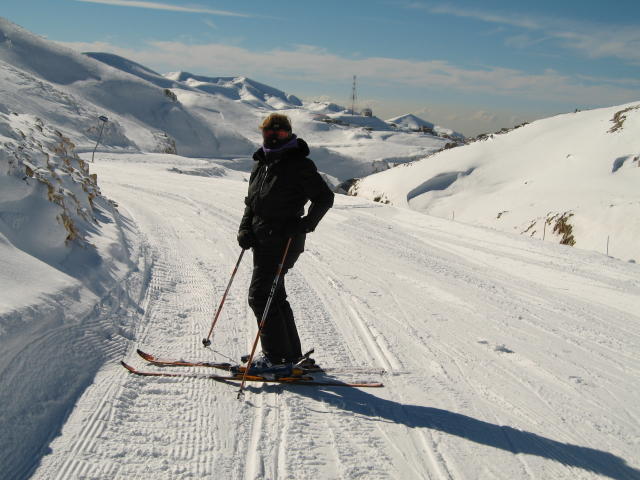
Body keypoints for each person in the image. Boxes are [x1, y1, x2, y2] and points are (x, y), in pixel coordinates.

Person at [237, 113, 334, 375]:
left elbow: (324, 198)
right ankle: (289, 354)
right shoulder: (261, 163)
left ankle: (277, 358)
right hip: (261, 239)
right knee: (274, 295)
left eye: (280, 133)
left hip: (284, 241)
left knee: (260, 296)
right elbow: (252, 203)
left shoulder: (299, 164)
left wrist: (304, 224)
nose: (274, 136)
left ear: (290, 134)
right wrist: (245, 228)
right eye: (269, 132)